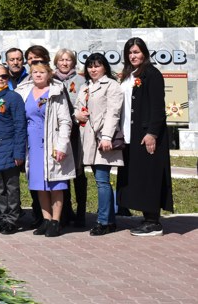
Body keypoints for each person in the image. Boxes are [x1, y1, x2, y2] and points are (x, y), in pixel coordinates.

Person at [117, 37, 174, 236]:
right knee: (138, 177)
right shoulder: (127, 75)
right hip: (129, 135)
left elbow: (158, 108)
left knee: (149, 176)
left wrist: (152, 133)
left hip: (145, 135)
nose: (133, 56)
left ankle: (153, 222)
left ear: (144, 53)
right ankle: (146, 217)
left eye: (137, 52)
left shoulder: (152, 74)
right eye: (130, 52)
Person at [16, 61, 74, 238]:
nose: (38, 75)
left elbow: (65, 121)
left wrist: (61, 145)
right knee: (39, 185)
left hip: (52, 143)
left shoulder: (57, 92)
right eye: (34, 72)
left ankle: (56, 221)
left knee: (56, 184)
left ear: (49, 74)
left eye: (42, 72)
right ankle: (46, 219)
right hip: (32, 145)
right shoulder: (24, 92)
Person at [73, 52, 124, 236]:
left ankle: (103, 222)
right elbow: (78, 109)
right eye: (90, 66)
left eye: (97, 65)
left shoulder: (111, 85)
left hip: (103, 138)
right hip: (87, 138)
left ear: (105, 67)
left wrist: (107, 136)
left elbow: (113, 112)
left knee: (102, 180)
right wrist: (76, 115)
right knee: (100, 180)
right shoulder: (85, 87)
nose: (93, 69)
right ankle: (109, 221)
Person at [0, 64, 26, 234]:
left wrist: (18, 152)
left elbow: (20, 126)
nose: (0, 79)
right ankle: (2, 217)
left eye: (4, 76)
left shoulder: (13, 97)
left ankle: (12, 219)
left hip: (8, 148)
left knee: (11, 187)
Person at [53, 47, 87, 227]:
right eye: (61, 60)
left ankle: (81, 213)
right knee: (62, 172)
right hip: (58, 134)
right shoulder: (51, 80)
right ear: (56, 62)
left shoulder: (81, 80)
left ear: (73, 62)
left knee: (79, 173)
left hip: (77, 133)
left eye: (68, 60)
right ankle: (65, 212)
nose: (65, 63)